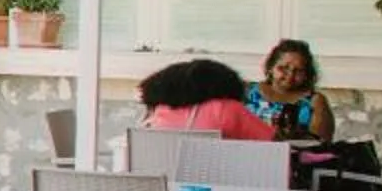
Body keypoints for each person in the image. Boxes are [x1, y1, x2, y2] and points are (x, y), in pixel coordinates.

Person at [136, 58, 276, 141]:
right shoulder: (225, 108)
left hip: (169, 186)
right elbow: (273, 143)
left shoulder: (160, 111)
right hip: (218, 185)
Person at [245, 38, 333, 143]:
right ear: (270, 68)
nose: (290, 76)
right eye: (283, 68)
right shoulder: (248, 93)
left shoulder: (315, 101)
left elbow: (320, 144)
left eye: (298, 71)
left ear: (307, 74)